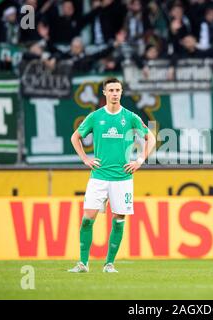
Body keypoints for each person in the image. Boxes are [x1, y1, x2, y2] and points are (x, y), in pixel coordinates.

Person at [68, 78, 156, 273]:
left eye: (118, 90)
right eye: (111, 90)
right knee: (87, 219)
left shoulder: (131, 117)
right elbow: (75, 137)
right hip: (98, 177)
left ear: (121, 92)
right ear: (105, 93)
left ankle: (109, 264)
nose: (115, 93)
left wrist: (140, 160)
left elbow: (151, 138)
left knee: (118, 220)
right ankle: (83, 263)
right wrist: (85, 159)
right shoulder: (95, 117)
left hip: (122, 178)